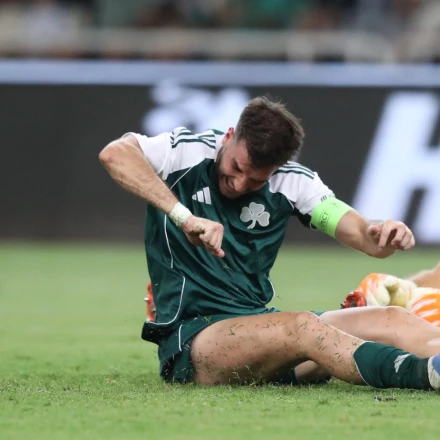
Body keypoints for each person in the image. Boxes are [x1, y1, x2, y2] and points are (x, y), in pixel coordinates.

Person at [99, 96, 440, 390]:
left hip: (263, 331)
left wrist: (383, 234)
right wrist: (183, 216)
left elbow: (365, 237)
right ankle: (424, 374)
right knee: (303, 327)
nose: (239, 184)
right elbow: (115, 154)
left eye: (256, 180)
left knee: (391, 318)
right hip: (195, 342)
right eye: (236, 167)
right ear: (229, 137)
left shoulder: (294, 183)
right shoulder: (185, 152)